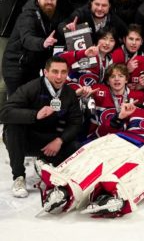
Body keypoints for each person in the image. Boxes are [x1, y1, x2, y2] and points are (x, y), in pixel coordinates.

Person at [39, 93, 144, 217]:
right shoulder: (137, 112)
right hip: (121, 141)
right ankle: (63, 189)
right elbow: (102, 132)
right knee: (94, 159)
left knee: (129, 172)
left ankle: (109, 198)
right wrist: (119, 117)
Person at [0, 57, 82, 198]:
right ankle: (19, 177)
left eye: (63, 72)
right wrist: (35, 114)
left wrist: (60, 140)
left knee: (75, 145)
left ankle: (45, 166)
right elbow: (5, 113)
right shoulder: (31, 88)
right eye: (55, 71)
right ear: (45, 72)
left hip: (49, 142)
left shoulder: (69, 94)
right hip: (26, 140)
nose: (59, 76)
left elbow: (75, 123)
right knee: (13, 127)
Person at [2, 0, 63, 96]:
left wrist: (66, 28)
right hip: (16, 67)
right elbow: (27, 38)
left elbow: (59, 26)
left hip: (32, 67)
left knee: (30, 102)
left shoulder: (52, 13)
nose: (49, 1)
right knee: (15, 105)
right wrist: (43, 43)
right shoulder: (28, 15)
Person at [59, 0, 128, 45]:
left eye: (104, 5)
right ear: (91, 3)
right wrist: (67, 28)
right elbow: (61, 26)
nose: (100, 8)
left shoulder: (113, 18)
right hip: (82, 53)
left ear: (109, 6)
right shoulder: (81, 13)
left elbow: (127, 33)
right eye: (97, 4)